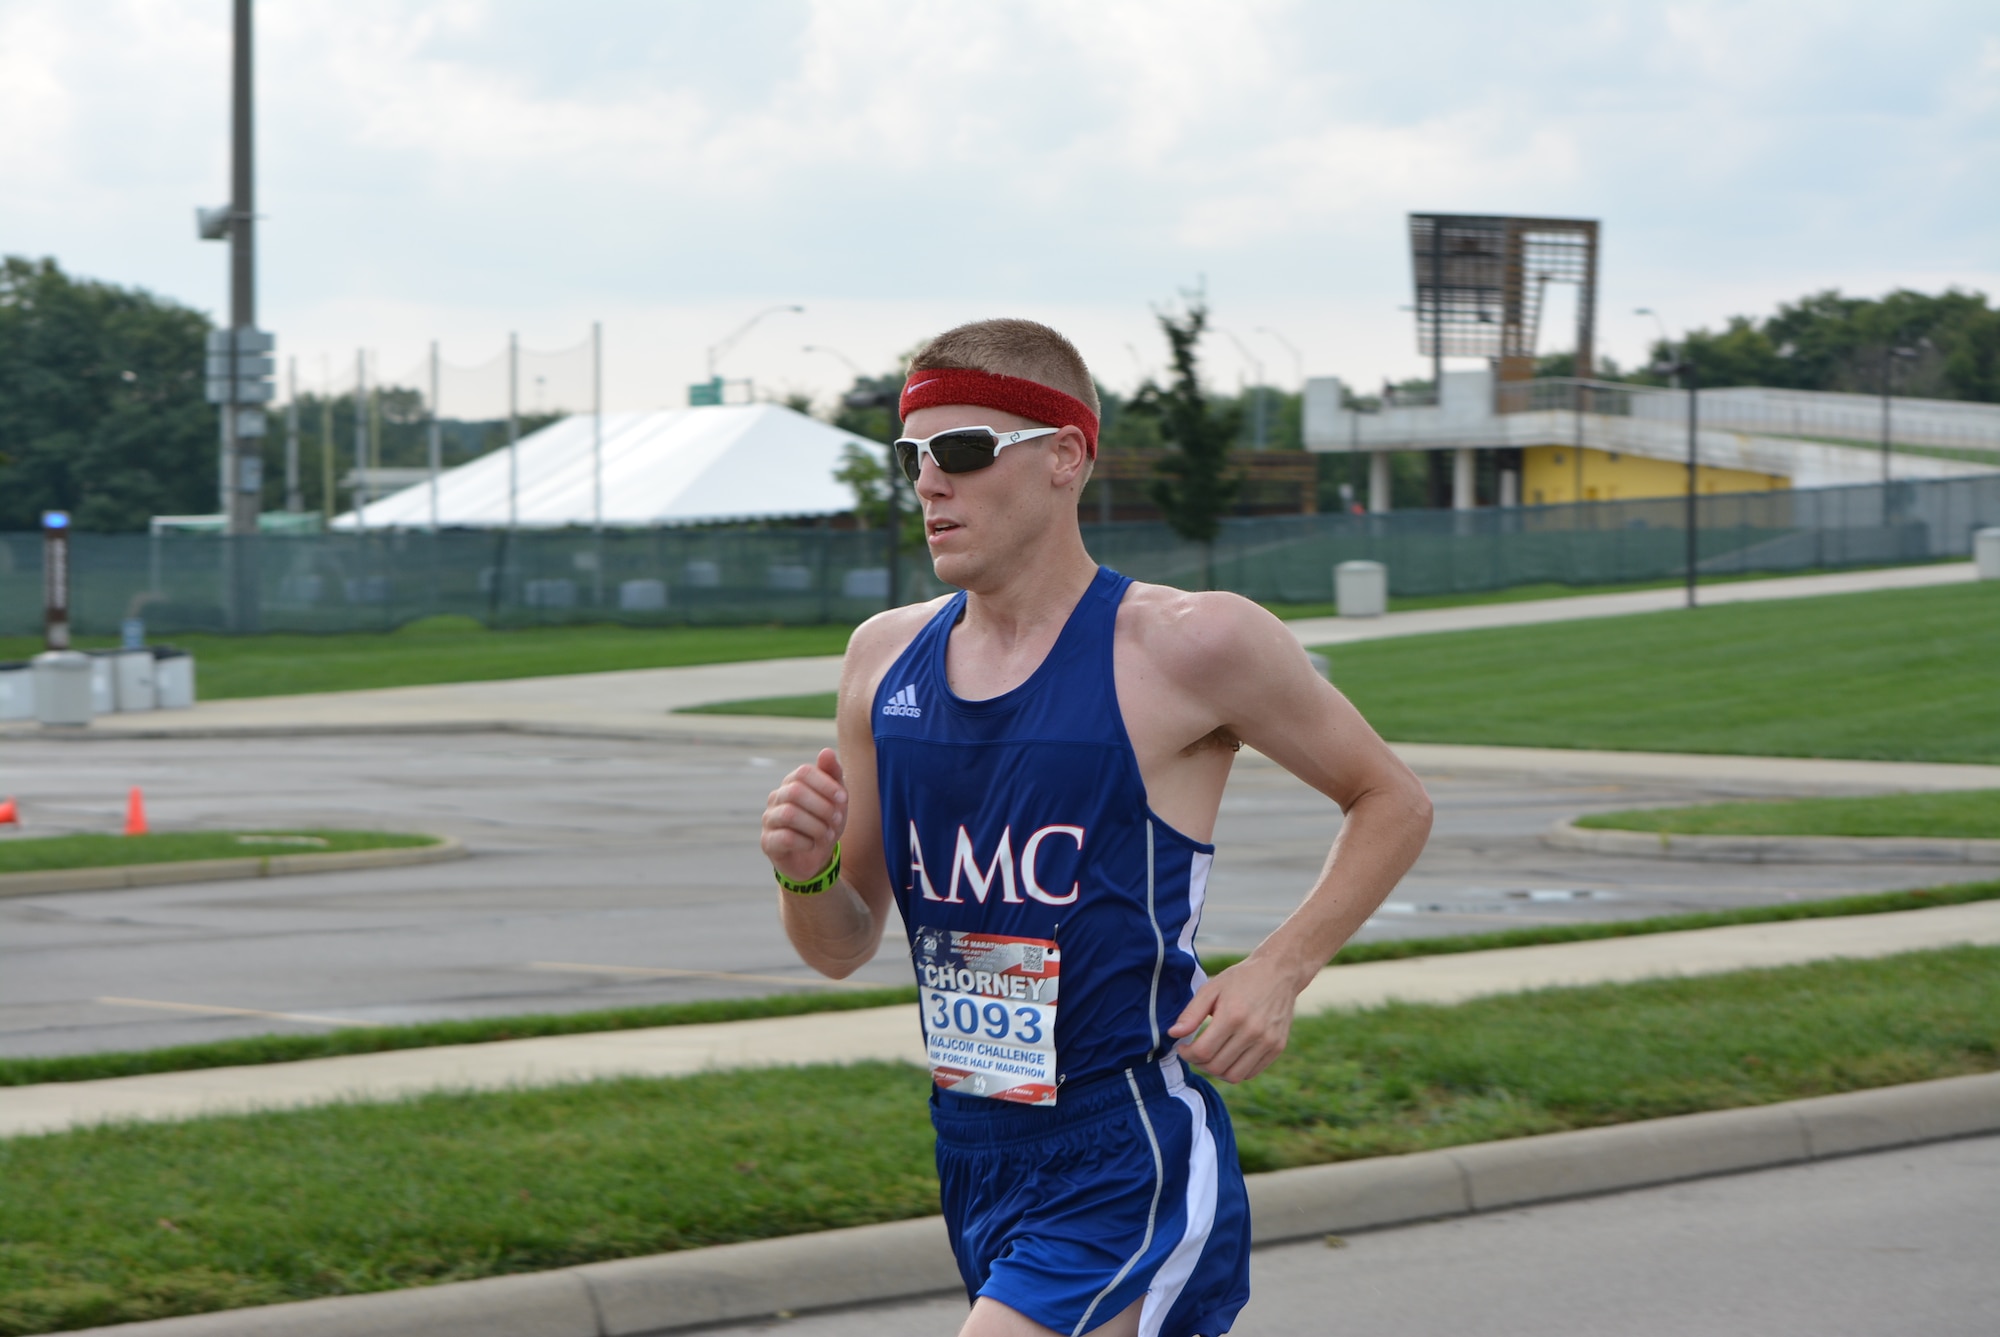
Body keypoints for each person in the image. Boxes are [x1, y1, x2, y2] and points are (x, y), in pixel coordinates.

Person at [759, 318, 1432, 1337]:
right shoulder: (879, 661)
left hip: (1126, 1142)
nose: (928, 482)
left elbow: (1390, 797)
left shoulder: (1188, 643)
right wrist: (805, 874)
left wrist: (1278, 968)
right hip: (974, 1142)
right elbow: (843, 945)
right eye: (911, 456)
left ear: (1064, 456)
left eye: (962, 450)